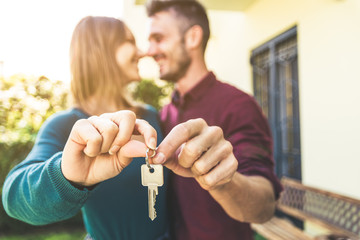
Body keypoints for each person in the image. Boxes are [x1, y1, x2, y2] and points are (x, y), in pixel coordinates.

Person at [2, 16, 170, 240]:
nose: (141, 52)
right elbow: (14, 197)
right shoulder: (65, 125)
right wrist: (68, 175)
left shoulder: (151, 116)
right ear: (102, 49)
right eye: (130, 41)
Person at [144, 0, 284, 239]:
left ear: (192, 37)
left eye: (158, 38)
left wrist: (223, 182)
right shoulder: (164, 113)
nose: (149, 51)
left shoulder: (238, 106)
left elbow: (264, 206)